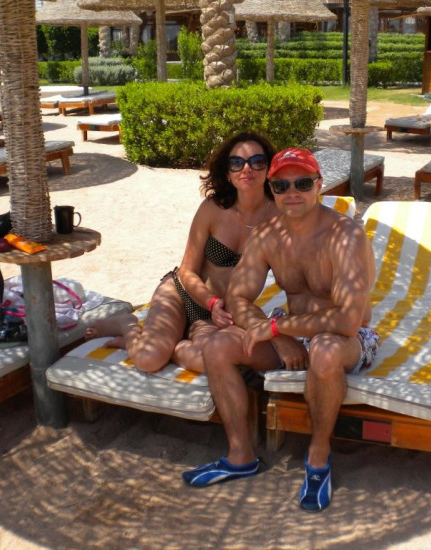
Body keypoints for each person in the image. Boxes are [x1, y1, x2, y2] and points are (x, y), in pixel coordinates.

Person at [181, 148, 379, 512]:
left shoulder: (345, 235)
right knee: (217, 346)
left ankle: (318, 457)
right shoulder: (268, 235)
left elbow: (348, 321)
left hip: (349, 339)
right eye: (281, 185)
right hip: (293, 332)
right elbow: (238, 297)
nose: (292, 192)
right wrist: (278, 335)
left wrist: (276, 326)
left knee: (325, 349)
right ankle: (240, 456)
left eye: (302, 183)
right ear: (271, 189)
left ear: (319, 185)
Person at [85, 131, 279, 374]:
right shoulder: (212, 209)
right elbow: (187, 270)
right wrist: (211, 302)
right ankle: (128, 325)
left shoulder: (279, 218)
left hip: (223, 314)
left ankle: (172, 347)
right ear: (228, 173)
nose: (246, 169)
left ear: (269, 168)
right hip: (183, 293)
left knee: (214, 361)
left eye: (257, 161)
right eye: (236, 163)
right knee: (148, 359)